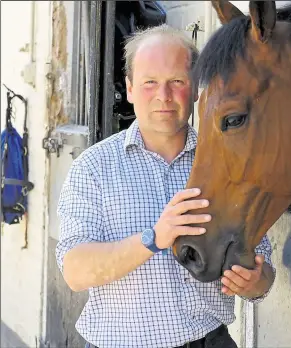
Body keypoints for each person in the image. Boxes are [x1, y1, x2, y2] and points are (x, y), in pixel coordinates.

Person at [55, 24, 276, 348]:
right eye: (149, 83)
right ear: (129, 89)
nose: (164, 96)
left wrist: (253, 281)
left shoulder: (231, 166)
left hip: (210, 341)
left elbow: (264, 271)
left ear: (196, 87)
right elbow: (75, 271)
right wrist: (154, 238)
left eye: (176, 81)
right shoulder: (94, 167)